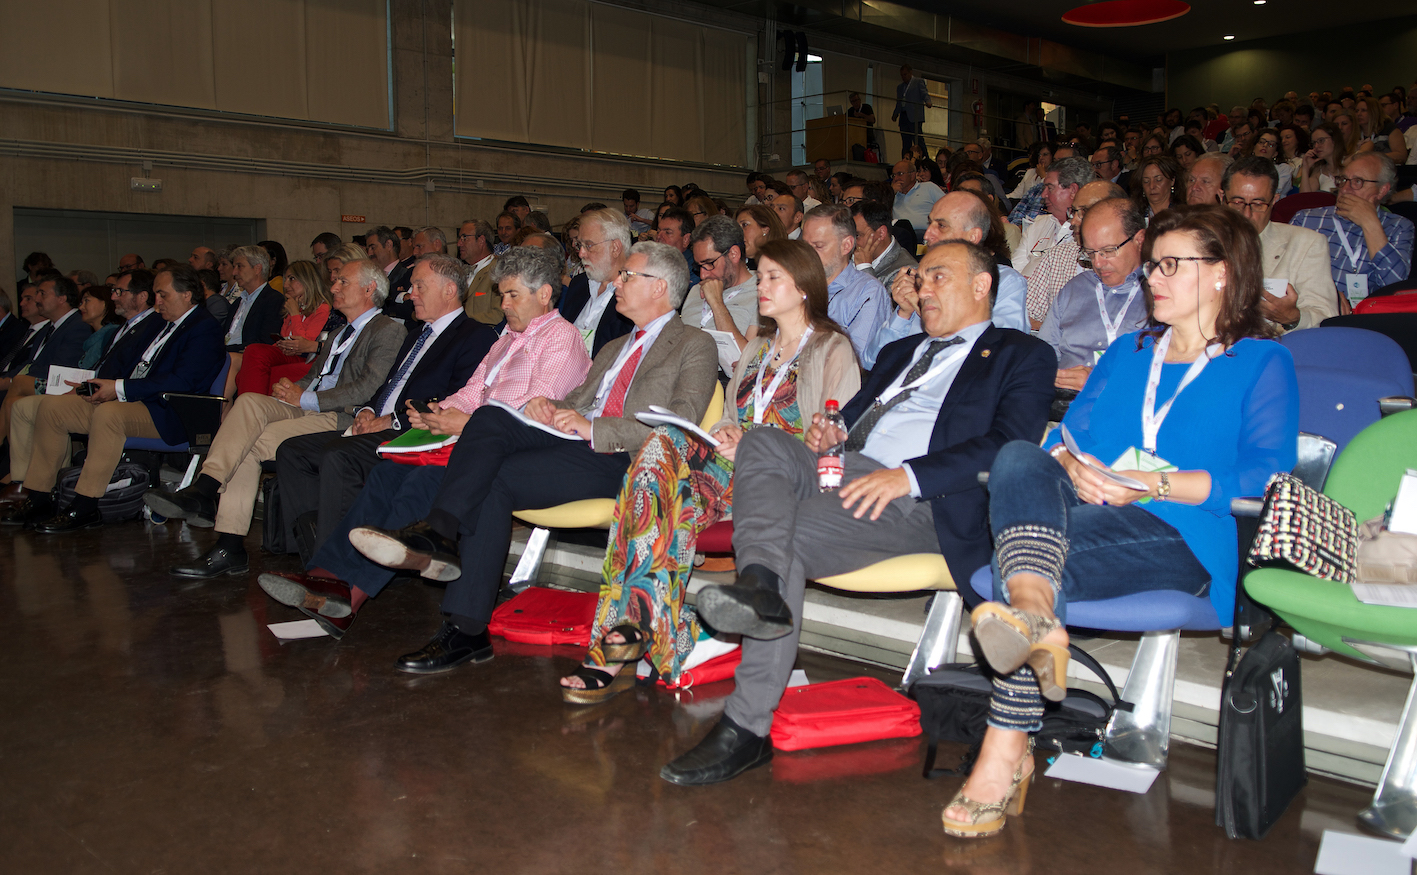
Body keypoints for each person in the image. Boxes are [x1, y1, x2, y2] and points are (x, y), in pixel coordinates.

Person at [946, 205, 1297, 839]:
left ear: (1223, 273)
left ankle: (1006, 747)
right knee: (1024, 454)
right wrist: (1071, 463)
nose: (1151, 279)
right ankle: (1034, 611)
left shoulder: (1262, 364)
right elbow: (1069, 438)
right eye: (1153, 265)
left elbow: (1263, 480)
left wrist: (1149, 483)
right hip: (1084, 514)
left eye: (1170, 265)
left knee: (1017, 563)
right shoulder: (1128, 353)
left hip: (1186, 535)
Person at [661, 239, 1055, 786]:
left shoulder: (1021, 353)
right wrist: (832, 432)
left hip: (921, 500)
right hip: (846, 470)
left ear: (983, 285)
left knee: (786, 540)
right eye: (921, 278)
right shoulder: (901, 351)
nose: (923, 287)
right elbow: (847, 420)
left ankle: (745, 727)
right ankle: (759, 587)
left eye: (938, 276)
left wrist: (909, 475)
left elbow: (1011, 445)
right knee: (763, 443)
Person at [294, 242, 716, 667]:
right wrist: (550, 409)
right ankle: (464, 623)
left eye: (628, 276)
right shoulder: (614, 346)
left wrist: (593, 427)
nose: (617, 283)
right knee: (492, 433)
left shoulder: (693, 343)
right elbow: (575, 399)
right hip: (569, 445)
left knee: (489, 455)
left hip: (627, 459)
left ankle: (440, 549)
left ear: (660, 287)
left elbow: (680, 424)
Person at [560, 239, 861, 700]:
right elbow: (732, 417)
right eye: (759, 277)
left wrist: (758, 442)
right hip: (730, 469)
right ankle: (641, 630)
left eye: (773, 278)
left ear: (804, 288)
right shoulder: (758, 349)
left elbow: (834, 440)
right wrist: (723, 432)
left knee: (664, 498)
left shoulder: (831, 349)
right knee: (658, 456)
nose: (761, 286)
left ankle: (620, 640)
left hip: (782, 478)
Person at [142, 258, 407, 577]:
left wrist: (305, 396)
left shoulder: (389, 329)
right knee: (250, 402)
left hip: (339, 416)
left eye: (342, 282)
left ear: (370, 288)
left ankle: (227, 540)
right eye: (334, 282)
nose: (333, 287)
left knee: (250, 444)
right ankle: (205, 489)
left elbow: (369, 387)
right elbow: (314, 376)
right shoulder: (338, 333)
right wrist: (292, 389)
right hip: (308, 405)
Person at [2, 266, 226, 532]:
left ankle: (86, 504)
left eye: (163, 295)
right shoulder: (165, 324)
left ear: (187, 295)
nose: (157, 302)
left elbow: (183, 382)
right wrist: (103, 386)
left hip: (172, 411)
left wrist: (120, 388)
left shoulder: (204, 328)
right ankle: (39, 497)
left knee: (110, 415)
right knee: (52, 408)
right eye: (155, 295)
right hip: (136, 402)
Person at [3, 275, 162, 499]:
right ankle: (30, 485)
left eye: (119, 292)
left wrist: (93, 386)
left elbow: (132, 372)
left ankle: (75, 496)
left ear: (142, 297)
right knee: (26, 407)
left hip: (122, 398)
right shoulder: (125, 327)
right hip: (99, 389)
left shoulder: (153, 325)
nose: (113, 296)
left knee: (47, 405)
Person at [874, 190, 1030, 361]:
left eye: (941, 226)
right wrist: (903, 313)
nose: (927, 235)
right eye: (930, 223)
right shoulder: (920, 280)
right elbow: (872, 360)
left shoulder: (1003, 282)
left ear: (972, 237)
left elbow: (996, 356)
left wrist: (923, 310)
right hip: (903, 380)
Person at [1041, 197, 1150, 394]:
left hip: (1127, 405)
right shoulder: (1075, 289)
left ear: (1139, 240)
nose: (1098, 263)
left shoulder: (1160, 292)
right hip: (1062, 405)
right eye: (1090, 253)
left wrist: (1103, 383)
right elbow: (1043, 357)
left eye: (1108, 251)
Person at [1223, 156, 1340, 332]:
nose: (1246, 214)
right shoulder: (1199, 242)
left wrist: (1293, 318)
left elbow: (1325, 317)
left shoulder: (1306, 243)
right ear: (1222, 198)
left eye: (1258, 204)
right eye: (1237, 202)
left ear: (1275, 200)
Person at [1292, 152, 1415, 300]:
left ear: (1382, 190)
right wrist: (1329, 297)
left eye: (1358, 181)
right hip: (1306, 311)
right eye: (1343, 180)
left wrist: (1370, 223)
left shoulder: (1399, 227)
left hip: (1359, 320)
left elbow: (1395, 289)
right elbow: (1280, 273)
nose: (1344, 189)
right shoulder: (1305, 219)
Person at [800, 204, 890, 367]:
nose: (807, 254)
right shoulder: (795, 284)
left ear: (846, 245)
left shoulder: (868, 292)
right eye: (804, 245)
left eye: (818, 246)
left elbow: (856, 362)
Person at [233, 260, 334, 396]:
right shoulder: (292, 306)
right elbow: (286, 338)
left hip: (307, 357)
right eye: (286, 279)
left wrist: (294, 314)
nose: (286, 285)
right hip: (288, 354)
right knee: (252, 353)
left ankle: (250, 406)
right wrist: (281, 343)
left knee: (253, 359)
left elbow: (304, 343)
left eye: (291, 279)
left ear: (307, 280)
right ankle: (250, 406)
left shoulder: (322, 308)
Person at [559, 208, 635, 357]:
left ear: (615, 247)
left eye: (588, 245)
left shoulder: (634, 294)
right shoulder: (578, 285)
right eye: (580, 245)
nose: (581, 253)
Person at [682, 215, 759, 357]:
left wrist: (717, 303)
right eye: (699, 266)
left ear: (734, 254)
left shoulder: (761, 292)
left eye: (710, 263)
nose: (703, 275)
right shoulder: (696, 290)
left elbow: (747, 364)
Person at [1012, 156, 1094, 277]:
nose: (1043, 194)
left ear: (1072, 190)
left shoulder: (1091, 234)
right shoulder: (1038, 225)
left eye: (1050, 188)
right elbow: (1013, 273)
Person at [850, 198, 917, 292]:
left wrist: (864, 268)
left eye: (857, 235)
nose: (850, 242)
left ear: (881, 233)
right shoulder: (848, 254)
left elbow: (876, 305)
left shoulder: (906, 271)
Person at [456, 219, 503, 325]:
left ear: (481, 240)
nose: (459, 243)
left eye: (464, 237)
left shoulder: (499, 271)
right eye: (459, 238)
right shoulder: (460, 271)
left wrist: (460, 321)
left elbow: (498, 316)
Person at [891, 159, 945, 242]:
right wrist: (891, 193)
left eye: (900, 174)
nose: (896, 178)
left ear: (912, 175)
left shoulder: (928, 187)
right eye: (893, 175)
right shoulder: (892, 195)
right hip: (899, 236)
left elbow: (948, 206)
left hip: (924, 234)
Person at [76, 284, 122, 369]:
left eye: (87, 301)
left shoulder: (113, 335)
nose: (81, 307)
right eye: (81, 303)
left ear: (105, 302)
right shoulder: (95, 338)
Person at [1132, 154, 1186, 221]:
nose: (1152, 186)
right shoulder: (1135, 217)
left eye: (1158, 180)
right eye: (1146, 181)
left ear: (1172, 181)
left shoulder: (1184, 216)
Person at [1299, 122, 1346, 193]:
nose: (1316, 146)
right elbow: (1305, 199)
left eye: (1321, 141)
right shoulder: (1318, 171)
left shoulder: (1351, 162)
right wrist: (1305, 168)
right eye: (1314, 143)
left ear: (1335, 140)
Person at [1249, 128, 1294, 195]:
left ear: (1275, 153)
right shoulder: (1243, 166)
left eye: (1271, 144)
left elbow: (1275, 191)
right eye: (1262, 142)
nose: (1265, 145)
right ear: (1254, 148)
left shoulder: (1283, 169)